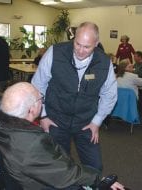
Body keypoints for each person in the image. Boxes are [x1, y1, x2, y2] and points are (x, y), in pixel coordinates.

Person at [0, 82, 125, 190]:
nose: (42, 100)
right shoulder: (30, 144)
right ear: (32, 109)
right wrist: (98, 179)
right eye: (40, 98)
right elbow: (66, 174)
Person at [31, 22, 117, 172]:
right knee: (58, 166)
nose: (81, 50)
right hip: (55, 119)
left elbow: (109, 94)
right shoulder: (55, 53)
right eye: (77, 44)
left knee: (95, 168)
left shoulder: (104, 62)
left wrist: (97, 121)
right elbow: (38, 86)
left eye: (87, 47)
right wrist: (43, 116)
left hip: (86, 121)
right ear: (74, 38)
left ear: (96, 44)